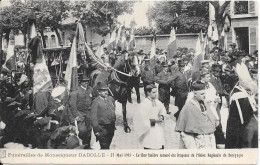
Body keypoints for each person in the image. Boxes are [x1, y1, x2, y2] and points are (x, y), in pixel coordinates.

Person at [176, 80, 218, 149]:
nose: (204, 96)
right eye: (202, 94)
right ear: (195, 94)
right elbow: (186, 133)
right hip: (196, 143)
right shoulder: (188, 107)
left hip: (208, 141)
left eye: (204, 93)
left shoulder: (205, 103)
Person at [225, 63, 258, 148]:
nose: (250, 84)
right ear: (242, 83)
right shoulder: (239, 95)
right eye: (248, 82)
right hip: (240, 126)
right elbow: (244, 116)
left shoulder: (242, 91)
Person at [134, 84, 166, 149]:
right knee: (150, 146)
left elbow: (162, 109)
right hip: (149, 130)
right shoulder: (144, 104)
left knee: (160, 146)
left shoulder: (157, 101)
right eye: (153, 92)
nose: (156, 94)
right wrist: (155, 120)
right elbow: (142, 120)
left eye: (156, 92)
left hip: (158, 128)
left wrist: (162, 116)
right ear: (148, 93)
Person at [69, 75, 94, 147]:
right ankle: (82, 138)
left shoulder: (90, 89)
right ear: (80, 82)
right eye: (84, 81)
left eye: (87, 81)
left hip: (89, 113)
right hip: (80, 113)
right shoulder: (75, 92)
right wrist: (76, 115)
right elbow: (72, 105)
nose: (86, 83)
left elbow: (93, 100)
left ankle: (87, 145)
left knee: (89, 130)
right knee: (82, 130)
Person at [91, 83, 116, 149]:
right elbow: (93, 116)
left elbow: (113, 108)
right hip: (102, 128)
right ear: (99, 92)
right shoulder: (96, 101)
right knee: (104, 146)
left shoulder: (110, 99)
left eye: (106, 90)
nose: (106, 92)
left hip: (111, 126)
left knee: (108, 144)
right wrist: (96, 130)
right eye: (103, 90)